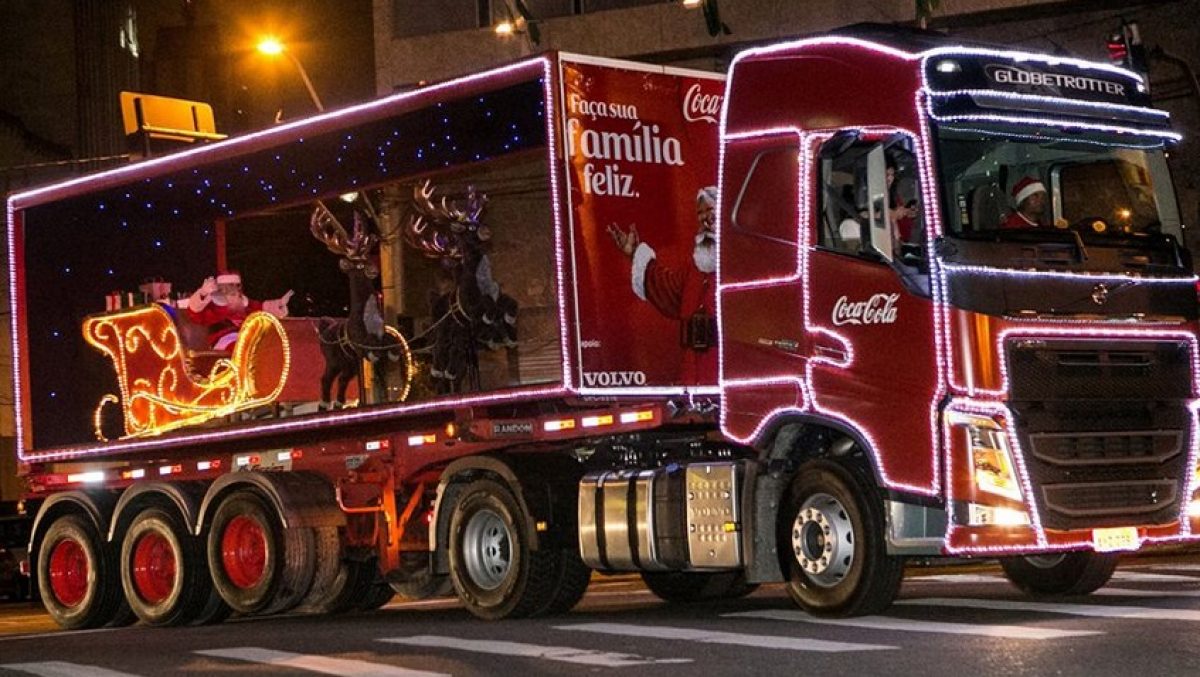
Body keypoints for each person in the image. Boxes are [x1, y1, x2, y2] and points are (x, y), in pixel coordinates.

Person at [607, 186, 718, 384]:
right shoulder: (696, 266)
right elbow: (668, 289)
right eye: (699, 213)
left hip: (722, 372)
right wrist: (635, 253)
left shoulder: (741, 261)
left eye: (709, 211)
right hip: (694, 373)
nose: (703, 219)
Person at [185, 271, 293, 350]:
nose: (236, 291)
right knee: (241, 348)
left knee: (271, 346)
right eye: (231, 287)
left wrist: (280, 304)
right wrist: (203, 293)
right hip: (224, 340)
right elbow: (195, 314)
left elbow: (262, 307)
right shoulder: (213, 304)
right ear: (222, 288)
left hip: (247, 337)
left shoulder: (245, 303)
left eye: (237, 287)